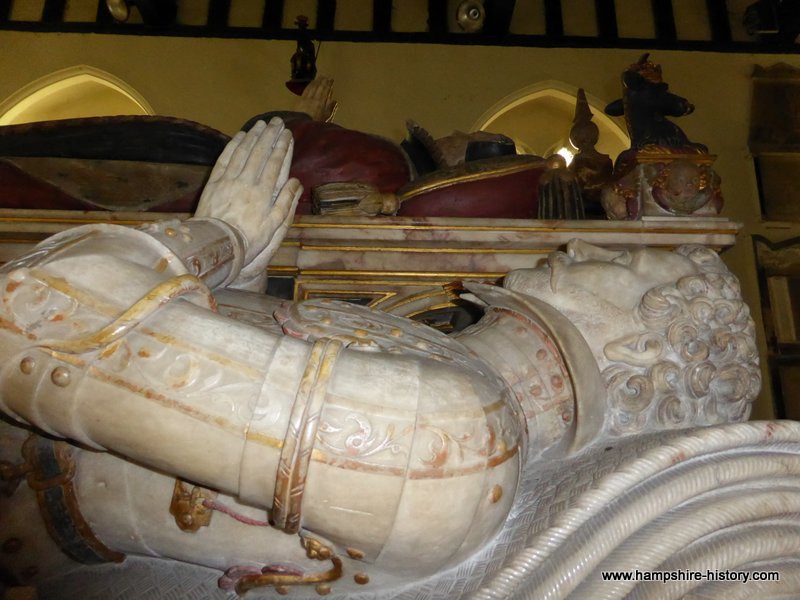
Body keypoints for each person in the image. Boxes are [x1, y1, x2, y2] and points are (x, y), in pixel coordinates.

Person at [0, 119, 759, 597]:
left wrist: (218, 236)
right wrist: (243, 281)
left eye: (628, 266)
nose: (590, 242)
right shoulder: (459, 394)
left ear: (643, 352)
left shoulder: (456, 436)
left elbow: (30, 319)